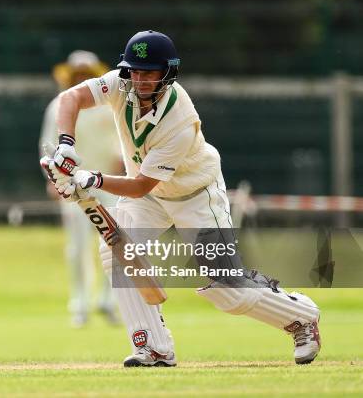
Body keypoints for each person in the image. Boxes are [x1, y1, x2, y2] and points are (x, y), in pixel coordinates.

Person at [43, 30, 321, 366]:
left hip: (196, 195)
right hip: (152, 198)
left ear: (168, 72)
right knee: (116, 248)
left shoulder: (180, 118)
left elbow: (142, 183)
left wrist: (93, 179)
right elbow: (70, 99)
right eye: (135, 71)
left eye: (150, 73)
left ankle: (302, 316)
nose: (141, 80)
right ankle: (153, 347)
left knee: (227, 291)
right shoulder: (120, 82)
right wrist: (66, 145)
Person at [39, 50, 122, 328]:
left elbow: (122, 140)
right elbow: (48, 145)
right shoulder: (58, 106)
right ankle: (80, 305)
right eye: (78, 75)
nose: (82, 78)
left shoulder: (107, 106)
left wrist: (123, 161)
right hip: (72, 186)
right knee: (77, 248)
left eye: (87, 74)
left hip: (106, 182)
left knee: (115, 243)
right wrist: (54, 180)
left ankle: (108, 301)